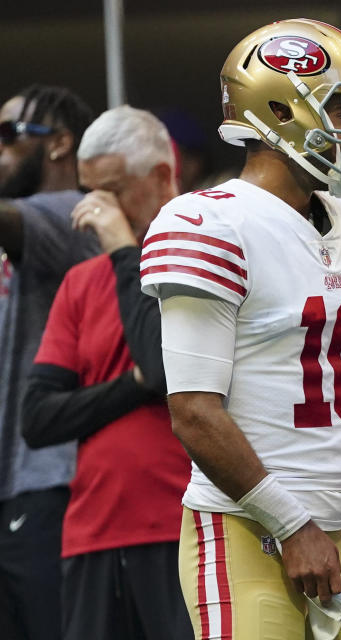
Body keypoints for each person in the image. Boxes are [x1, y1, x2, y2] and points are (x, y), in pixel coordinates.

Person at [138, 19, 341, 640]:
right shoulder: (207, 222)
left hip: (340, 533)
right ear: (280, 110)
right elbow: (193, 411)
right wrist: (292, 525)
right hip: (248, 533)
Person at [19, 105, 191, 640]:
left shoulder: (198, 254)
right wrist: (131, 385)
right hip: (91, 530)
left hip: (179, 521)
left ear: (162, 177)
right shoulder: (80, 281)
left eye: (112, 191)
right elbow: (38, 417)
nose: (96, 209)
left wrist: (122, 250)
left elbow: (164, 369)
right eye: (89, 192)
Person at [0, 84, 97, 640]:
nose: (2, 150)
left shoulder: (72, 215)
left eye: (10, 135)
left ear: (59, 144)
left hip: (46, 486)